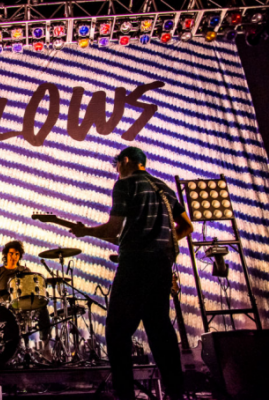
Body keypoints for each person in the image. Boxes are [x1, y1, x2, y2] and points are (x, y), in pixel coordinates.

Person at [69, 146, 193, 400]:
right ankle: (176, 393)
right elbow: (187, 226)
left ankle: (125, 395)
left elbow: (113, 229)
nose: (117, 172)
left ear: (125, 161)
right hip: (161, 265)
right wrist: (163, 246)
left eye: (117, 166)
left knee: (117, 332)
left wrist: (86, 232)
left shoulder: (126, 184)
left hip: (136, 265)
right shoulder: (163, 187)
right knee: (159, 328)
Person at [0, 241, 52, 354]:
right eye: (11, 253)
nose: (14, 257)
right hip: (4, 308)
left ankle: (45, 346)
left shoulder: (24, 271)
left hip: (23, 305)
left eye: (17, 254)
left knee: (43, 307)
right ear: (6, 254)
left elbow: (30, 289)